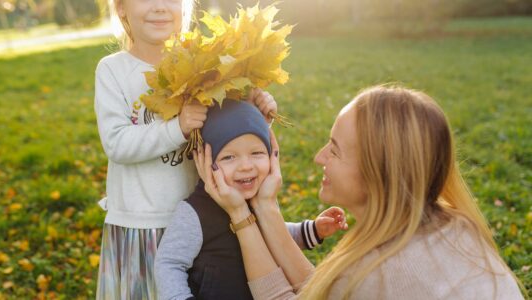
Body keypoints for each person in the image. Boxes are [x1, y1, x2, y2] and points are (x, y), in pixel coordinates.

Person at [196, 85, 526, 299]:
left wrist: (241, 214)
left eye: (335, 151)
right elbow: (321, 293)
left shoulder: (383, 273)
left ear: (377, 172)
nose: (319, 157)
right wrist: (265, 206)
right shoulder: (453, 227)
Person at [93, 0, 277, 298]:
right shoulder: (114, 70)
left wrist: (258, 116)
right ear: (121, 8)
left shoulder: (206, 65)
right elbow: (117, 143)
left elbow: (229, 140)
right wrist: (177, 128)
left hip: (202, 221)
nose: (159, 7)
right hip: (143, 224)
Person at [154, 100, 347, 300]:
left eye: (257, 153)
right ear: (205, 161)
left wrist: (311, 230)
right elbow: (169, 263)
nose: (246, 166)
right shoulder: (195, 212)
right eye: (229, 157)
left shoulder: (260, 197)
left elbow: (272, 235)